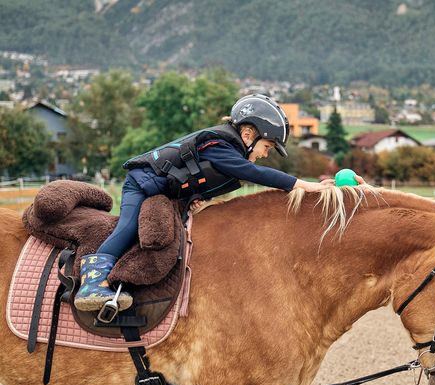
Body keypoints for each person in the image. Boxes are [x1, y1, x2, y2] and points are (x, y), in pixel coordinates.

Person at [74, 94, 335, 315]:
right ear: (247, 134)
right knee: (129, 227)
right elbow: (255, 174)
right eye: (266, 146)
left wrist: (194, 201)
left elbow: (193, 181)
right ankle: (92, 283)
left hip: (165, 193)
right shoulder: (221, 144)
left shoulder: (229, 152)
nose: (266, 154)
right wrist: (305, 185)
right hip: (141, 182)